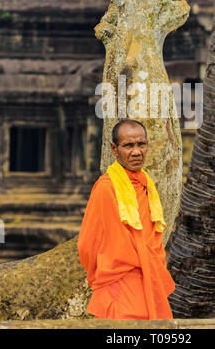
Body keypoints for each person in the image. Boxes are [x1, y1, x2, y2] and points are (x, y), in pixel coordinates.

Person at [77, 119, 175, 320]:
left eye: (141, 144)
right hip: (119, 286)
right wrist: (105, 277)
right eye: (128, 146)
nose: (137, 152)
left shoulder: (146, 183)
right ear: (114, 149)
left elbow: (153, 237)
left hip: (151, 279)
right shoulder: (106, 187)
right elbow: (87, 245)